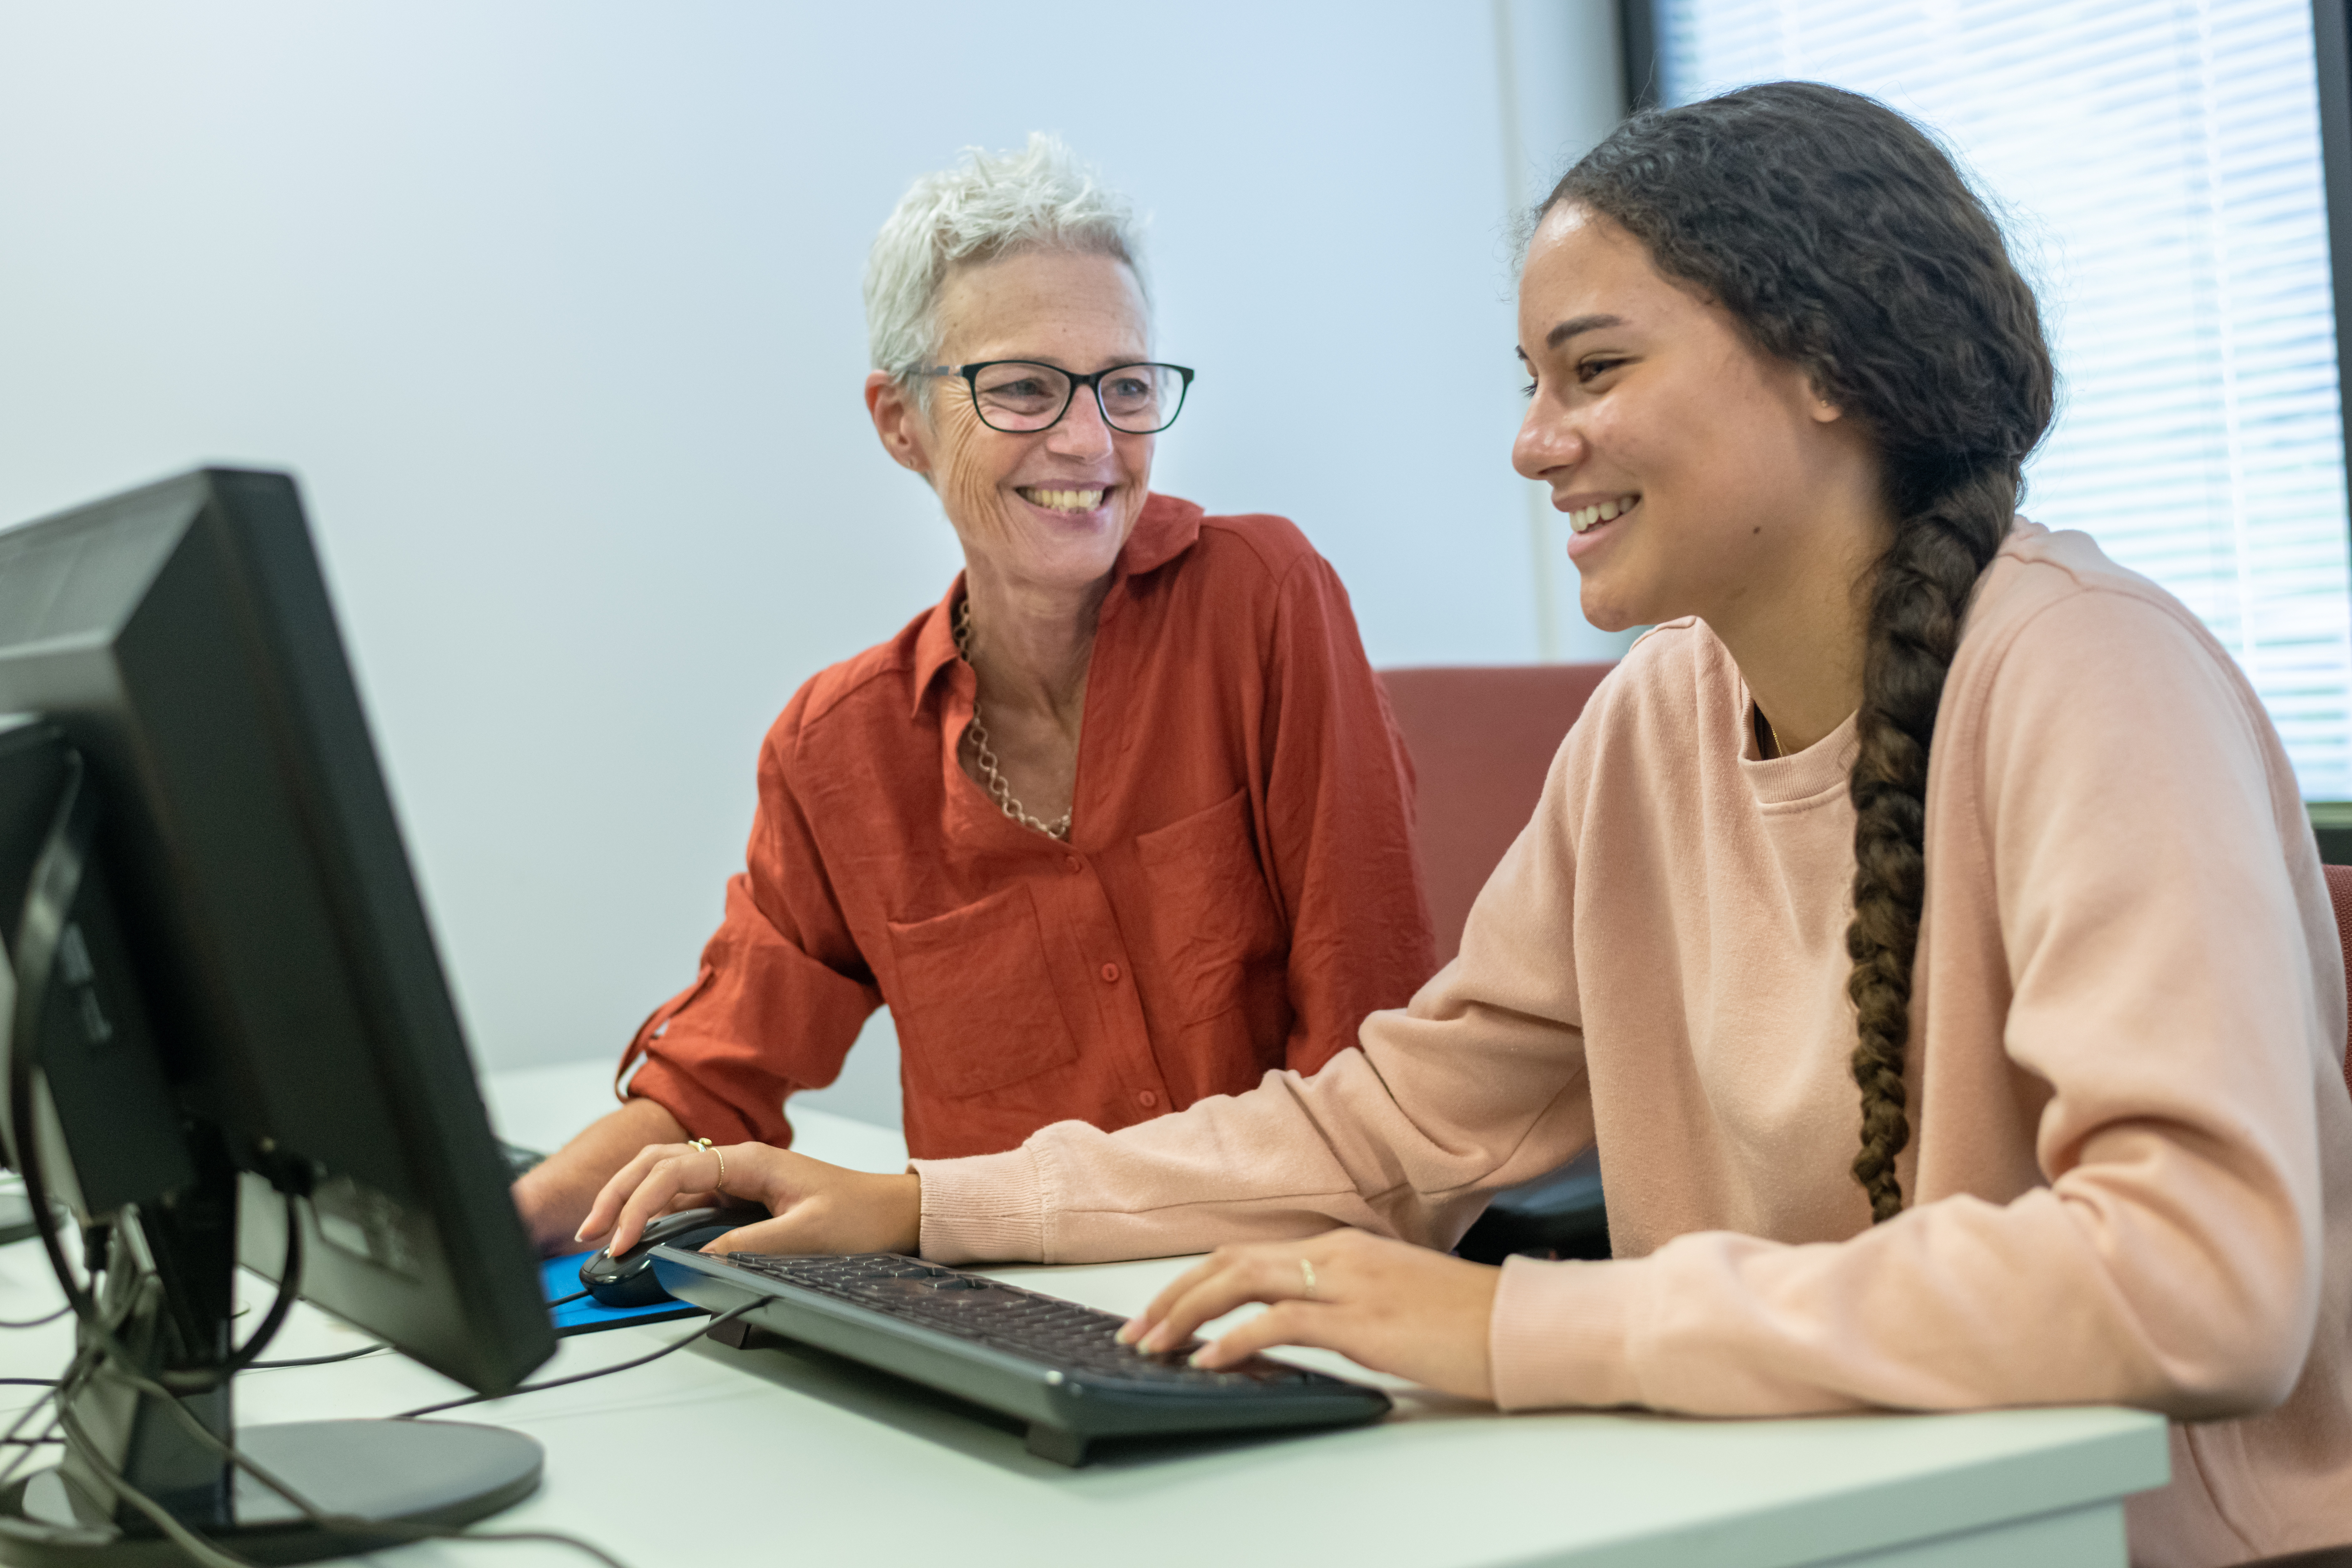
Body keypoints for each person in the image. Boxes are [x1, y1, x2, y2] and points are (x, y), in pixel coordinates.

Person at [577, 86, 2352, 1561]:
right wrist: (925, 1209)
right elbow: (1386, 1123)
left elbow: (2202, 1280)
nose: (1530, 442)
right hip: (1825, 1515)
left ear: (1828, 366)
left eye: (1589, 371)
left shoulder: (2090, 681)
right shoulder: (1656, 719)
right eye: (1526, 378)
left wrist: (1524, 1328)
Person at [511, 134, 1435, 1254]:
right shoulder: (835, 749)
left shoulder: (1260, 601)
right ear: (901, 422)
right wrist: (483, 1243)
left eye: (1126, 387)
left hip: (1280, 1278)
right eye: (1024, 390)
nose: (1090, 441)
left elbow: (1370, 1076)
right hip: (1012, 1320)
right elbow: (708, 1087)